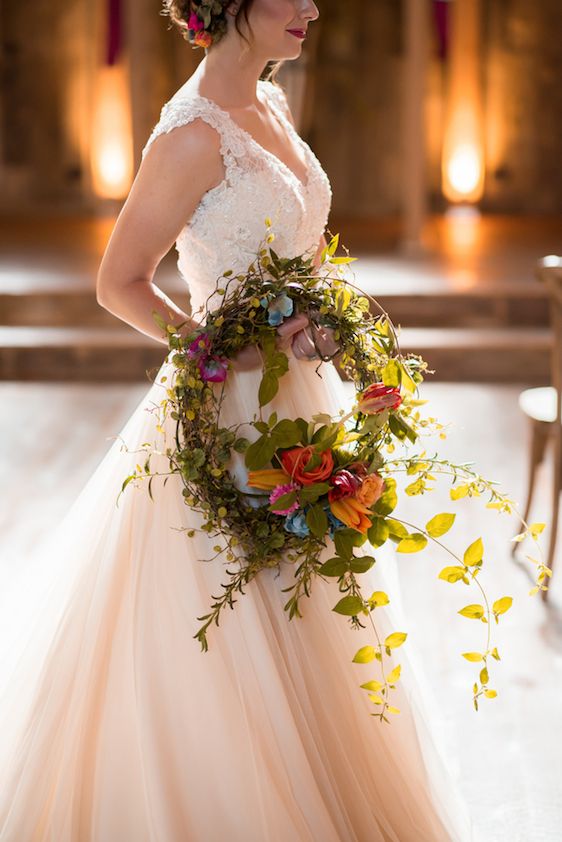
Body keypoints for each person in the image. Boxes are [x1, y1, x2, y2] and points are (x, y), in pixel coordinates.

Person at [0, 1, 477, 839]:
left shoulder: (271, 104)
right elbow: (120, 282)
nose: (312, 9)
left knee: (314, 613)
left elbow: (290, 258)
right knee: (229, 616)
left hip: (303, 401)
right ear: (228, 5)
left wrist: (323, 323)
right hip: (230, 413)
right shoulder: (190, 135)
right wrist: (222, 350)